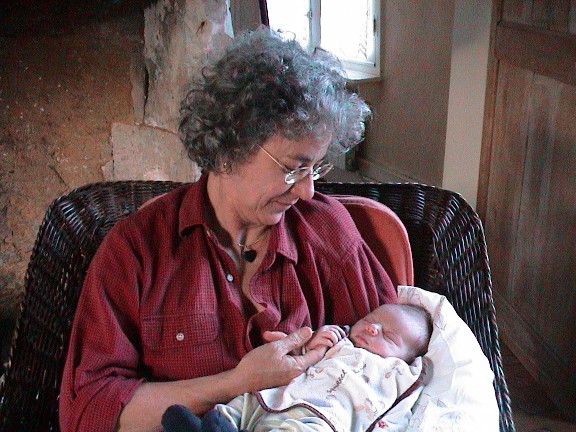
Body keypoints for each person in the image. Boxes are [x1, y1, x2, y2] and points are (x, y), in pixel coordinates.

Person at [59, 27, 397, 432]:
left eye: (316, 167)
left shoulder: (328, 232)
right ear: (228, 149)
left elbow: (393, 365)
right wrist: (236, 383)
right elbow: (90, 409)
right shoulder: (137, 249)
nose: (307, 191)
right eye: (293, 169)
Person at [161, 303, 433, 432]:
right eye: (372, 320)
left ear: (405, 358)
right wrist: (313, 343)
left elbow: (399, 412)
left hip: (323, 419)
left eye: (388, 336)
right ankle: (210, 427)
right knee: (245, 402)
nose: (373, 329)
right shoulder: (340, 341)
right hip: (281, 398)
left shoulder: (398, 373)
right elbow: (300, 360)